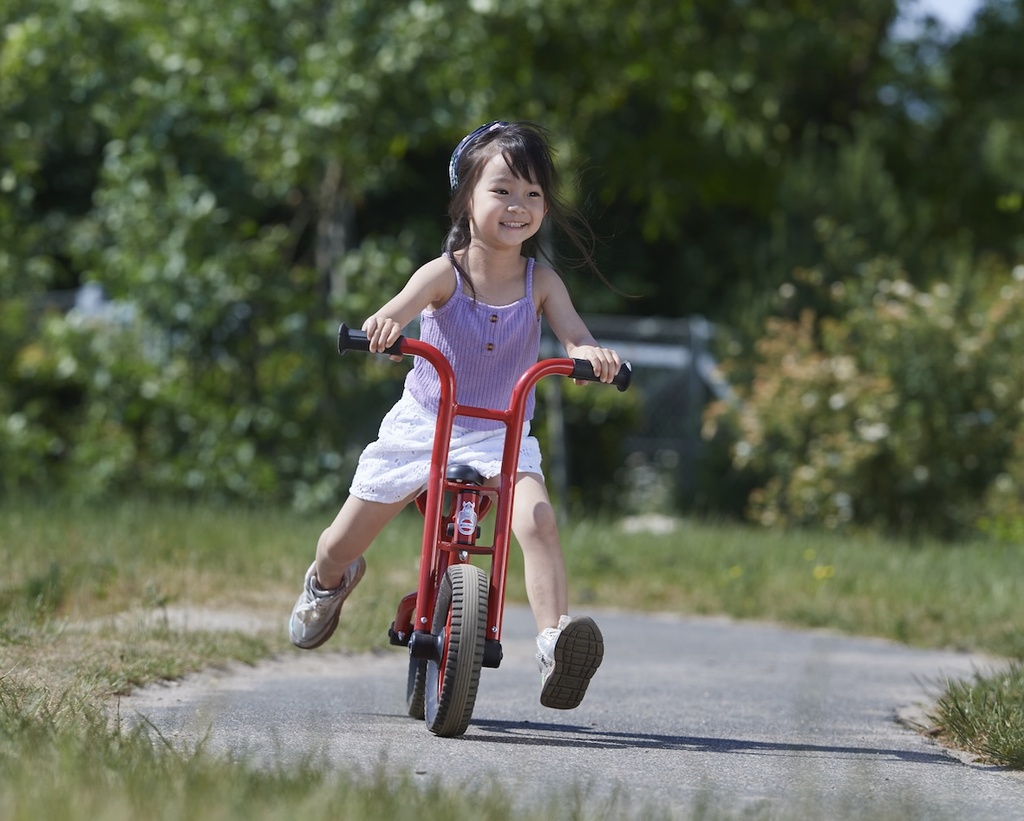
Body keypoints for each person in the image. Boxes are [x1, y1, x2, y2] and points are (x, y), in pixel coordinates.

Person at [289, 120, 622, 710]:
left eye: (533, 194)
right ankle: (327, 582)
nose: (518, 206)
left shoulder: (541, 282)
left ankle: (553, 645)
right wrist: (386, 328)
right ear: (465, 198)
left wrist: (589, 355)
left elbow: (575, 337)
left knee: (538, 521)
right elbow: (391, 313)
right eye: (502, 190)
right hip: (425, 427)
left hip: (504, 430)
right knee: (342, 540)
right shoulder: (445, 273)